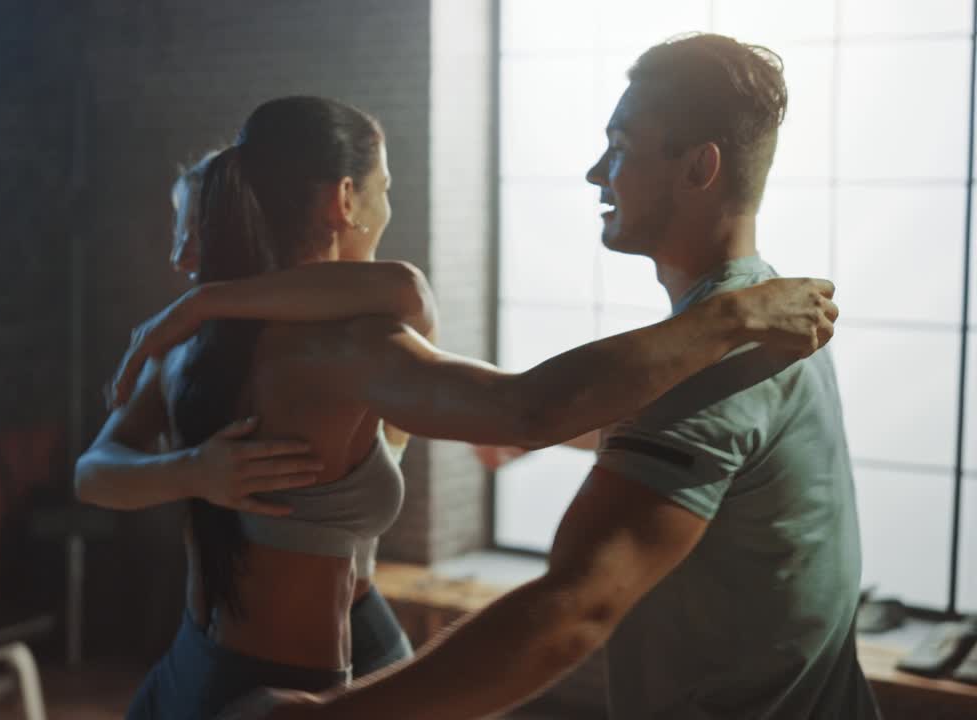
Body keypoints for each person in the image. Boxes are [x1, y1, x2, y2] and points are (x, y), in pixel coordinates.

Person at [97, 94, 837, 720]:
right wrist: (728, 318)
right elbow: (519, 406)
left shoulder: (208, 334)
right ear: (344, 200)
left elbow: (506, 400)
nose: (390, 203)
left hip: (252, 648)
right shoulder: (353, 344)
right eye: (386, 186)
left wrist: (200, 332)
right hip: (278, 676)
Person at [82, 149, 433, 677]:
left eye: (196, 230)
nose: (179, 257)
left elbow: (407, 289)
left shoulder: (344, 332)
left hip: (347, 636)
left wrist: (201, 303)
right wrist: (192, 471)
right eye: (177, 230)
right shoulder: (184, 353)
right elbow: (92, 475)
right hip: (219, 644)